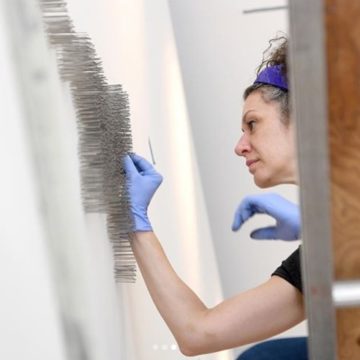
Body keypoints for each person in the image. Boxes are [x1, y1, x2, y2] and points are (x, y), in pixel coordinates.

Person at [123, 36, 307, 358]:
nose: (240, 146)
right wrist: (137, 223)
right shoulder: (322, 255)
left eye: (253, 124)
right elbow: (198, 332)